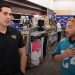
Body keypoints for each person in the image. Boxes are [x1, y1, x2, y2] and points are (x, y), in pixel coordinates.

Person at [0, 2, 27, 75]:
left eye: (10, 14)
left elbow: (22, 53)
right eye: (5, 13)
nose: (9, 17)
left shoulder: (16, 33)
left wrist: (22, 72)